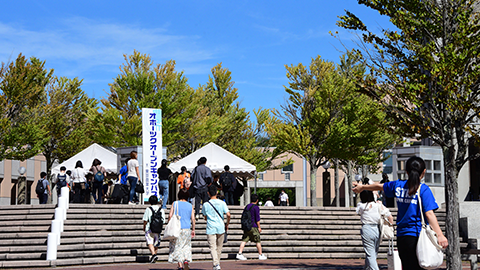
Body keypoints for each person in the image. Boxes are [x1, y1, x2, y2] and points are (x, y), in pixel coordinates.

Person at [353, 156, 448, 270]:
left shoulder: (398, 186)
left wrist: (362, 187)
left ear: (406, 172)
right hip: (418, 235)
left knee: (407, 266)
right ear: (424, 172)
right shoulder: (423, 189)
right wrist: (440, 235)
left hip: (402, 235)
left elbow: (380, 186)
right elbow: (429, 214)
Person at [356, 190, 393, 270]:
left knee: (370, 254)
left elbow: (357, 211)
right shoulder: (378, 205)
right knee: (373, 253)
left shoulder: (361, 205)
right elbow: (390, 216)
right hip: (377, 229)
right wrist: (391, 226)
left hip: (366, 229)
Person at [202, 185, 230, 270]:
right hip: (221, 226)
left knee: (212, 247)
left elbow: (205, 217)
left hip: (211, 227)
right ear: (217, 192)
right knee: (219, 247)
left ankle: (216, 264)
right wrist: (227, 224)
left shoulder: (205, 204)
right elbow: (228, 214)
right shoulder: (222, 203)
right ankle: (216, 264)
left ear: (208, 193)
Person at [168, 189, 195, 270]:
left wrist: (169, 224)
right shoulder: (190, 205)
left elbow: (170, 215)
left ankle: (180, 266)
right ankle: (186, 260)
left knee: (177, 246)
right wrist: (193, 229)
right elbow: (193, 218)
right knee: (186, 246)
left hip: (177, 228)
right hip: (187, 228)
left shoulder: (175, 203)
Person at [236, 194, 267, 261]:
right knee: (257, 240)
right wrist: (259, 227)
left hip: (247, 226)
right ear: (257, 200)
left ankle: (239, 253)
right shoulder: (256, 207)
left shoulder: (247, 206)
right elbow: (257, 218)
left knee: (244, 240)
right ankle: (260, 254)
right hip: (254, 226)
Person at [143, 195, 165, 264]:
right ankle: (154, 257)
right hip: (158, 229)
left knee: (150, 242)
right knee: (156, 243)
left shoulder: (148, 209)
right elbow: (163, 220)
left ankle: (153, 255)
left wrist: (144, 227)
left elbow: (145, 220)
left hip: (150, 228)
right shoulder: (161, 209)